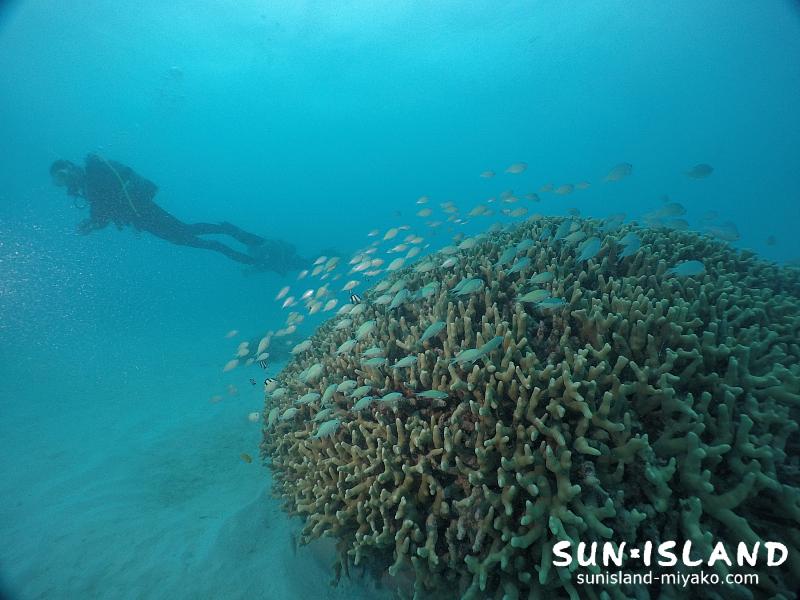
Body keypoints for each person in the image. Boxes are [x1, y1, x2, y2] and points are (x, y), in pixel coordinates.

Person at [50, 154, 307, 275]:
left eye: (63, 175)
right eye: (59, 181)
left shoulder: (95, 173)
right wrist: (92, 224)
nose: (65, 182)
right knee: (185, 237)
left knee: (186, 233)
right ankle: (238, 246)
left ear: (71, 167)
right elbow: (104, 213)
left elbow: (114, 194)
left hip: (144, 211)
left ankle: (231, 235)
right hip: (140, 218)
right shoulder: (87, 188)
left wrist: (96, 220)